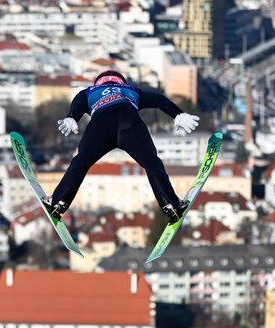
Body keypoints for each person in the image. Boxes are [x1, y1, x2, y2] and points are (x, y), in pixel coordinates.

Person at [42, 70, 200, 224]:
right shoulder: (132, 90)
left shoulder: (89, 92)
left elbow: (78, 102)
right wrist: (178, 114)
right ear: (122, 82)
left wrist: (72, 117)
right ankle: (170, 205)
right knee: (152, 162)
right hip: (129, 123)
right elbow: (158, 99)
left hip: (101, 126)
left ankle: (58, 202)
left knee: (80, 162)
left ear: (98, 83)